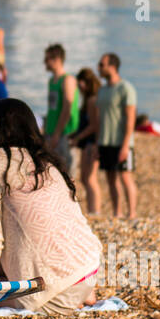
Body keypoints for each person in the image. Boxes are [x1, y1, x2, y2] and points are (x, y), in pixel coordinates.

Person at [0, 98, 100, 314]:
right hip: (87, 271)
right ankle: (80, 294)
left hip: (53, 293)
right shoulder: (44, 161)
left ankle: (6, 296)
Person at [96, 52, 137, 219]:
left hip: (122, 141)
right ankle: (117, 212)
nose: (99, 68)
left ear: (112, 67)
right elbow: (99, 118)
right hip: (106, 140)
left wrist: (126, 144)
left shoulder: (125, 88)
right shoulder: (102, 90)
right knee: (110, 178)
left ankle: (132, 213)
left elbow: (130, 117)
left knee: (126, 177)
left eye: (102, 64)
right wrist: (98, 142)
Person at [69, 67, 102, 216]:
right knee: (85, 177)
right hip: (88, 141)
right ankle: (92, 209)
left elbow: (94, 125)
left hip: (92, 142)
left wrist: (78, 138)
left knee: (90, 178)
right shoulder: (90, 99)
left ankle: (95, 210)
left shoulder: (92, 100)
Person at [42, 44, 80, 172]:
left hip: (64, 133)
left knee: (66, 171)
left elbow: (66, 108)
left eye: (47, 59)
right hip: (51, 131)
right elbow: (52, 108)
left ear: (57, 59)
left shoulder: (67, 79)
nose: (44, 62)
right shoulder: (51, 80)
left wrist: (57, 134)